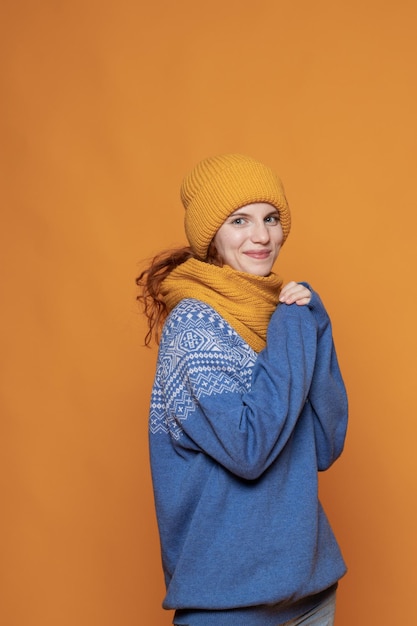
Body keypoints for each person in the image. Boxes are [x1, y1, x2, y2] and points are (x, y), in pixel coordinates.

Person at [137, 153, 348, 626]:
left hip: (311, 596)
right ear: (211, 235)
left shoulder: (276, 315)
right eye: (240, 221)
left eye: (271, 218)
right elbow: (249, 449)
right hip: (230, 607)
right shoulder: (195, 325)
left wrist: (318, 326)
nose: (262, 236)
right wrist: (295, 329)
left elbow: (322, 444)